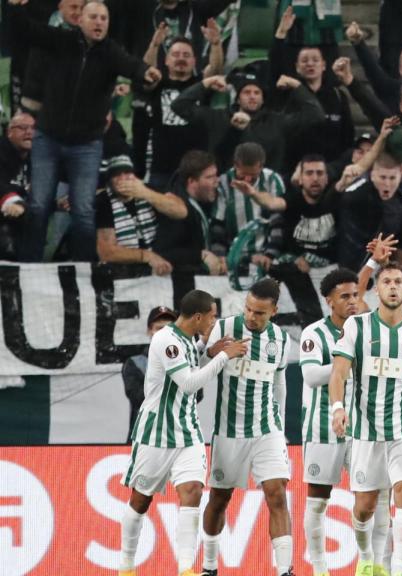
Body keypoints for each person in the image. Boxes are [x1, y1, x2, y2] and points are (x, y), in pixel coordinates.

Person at [9, 0, 161, 263]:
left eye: (104, 18)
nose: (99, 22)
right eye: (94, 17)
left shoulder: (111, 51)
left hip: (86, 145)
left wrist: (146, 72)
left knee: (83, 209)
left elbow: (130, 65)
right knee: (38, 205)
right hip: (48, 138)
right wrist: (14, 7)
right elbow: (25, 30)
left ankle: (83, 269)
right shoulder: (61, 40)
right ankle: (28, 267)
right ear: (80, 20)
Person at [118, 289, 247, 576]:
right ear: (198, 316)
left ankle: (186, 568)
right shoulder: (166, 340)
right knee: (140, 500)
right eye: (212, 317)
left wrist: (207, 352)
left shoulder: (188, 341)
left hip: (188, 431)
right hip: (156, 432)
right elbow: (188, 384)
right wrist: (223, 357)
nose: (214, 322)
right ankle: (125, 567)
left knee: (192, 492)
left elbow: (191, 368)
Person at [328, 263, 402, 576]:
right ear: (377, 290)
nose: (391, 286)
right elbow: (339, 372)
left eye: (398, 282)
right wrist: (337, 407)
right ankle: (365, 556)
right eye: (386, 281)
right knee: (364, 507)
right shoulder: (357, 326)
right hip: (364, 430)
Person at [202, 279, 295, 576]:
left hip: (266, 429)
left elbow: (279, 383)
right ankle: (209, 566)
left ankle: (285, 570)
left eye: (260, 313)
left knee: (277, 493)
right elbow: (200, 371)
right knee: (219, 499)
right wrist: (211, 353)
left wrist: (279, 424)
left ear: (274, 311)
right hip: (229, 431)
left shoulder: (281, 340)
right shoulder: (224, 328)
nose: (252, 317)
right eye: (249, 310)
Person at [299, 268, 385, 576]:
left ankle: (368, 561)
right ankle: (320, 569)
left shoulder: (367, 329)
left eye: (356, 295)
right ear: (329, 301)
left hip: (361, 427)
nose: (352, 301)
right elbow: (309, 376)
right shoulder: (314, 333)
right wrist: (345, 362)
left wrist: (374, 264)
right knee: (318, 502)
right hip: (322, 426)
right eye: (344, 296)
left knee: (370, 498)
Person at [171, 70, 325, 173]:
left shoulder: (277, 121)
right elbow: (179, 105)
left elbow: (316, 114)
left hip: (267, 189)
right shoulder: (218, 117)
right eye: (247, 92)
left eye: (257, 93)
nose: (252, 96)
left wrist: (295, 85)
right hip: (228, 189)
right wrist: (207, 82)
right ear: (238, 98)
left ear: (263, 99)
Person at [271, 8, 355, 170]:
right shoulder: (289, 95)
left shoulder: (337, 96)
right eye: (304, 61)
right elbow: (274, 67)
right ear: (296, 67)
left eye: (315, 60)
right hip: (294, 171)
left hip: (330, 170)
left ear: (324, 65)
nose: (310, 64)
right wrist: (281, 33)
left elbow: (347, 138)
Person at [132, 35, 216, 190]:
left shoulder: (201, 86)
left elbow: (215, 69)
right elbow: (146, 70)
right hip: (161, 168)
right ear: (166, 60)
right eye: (176, 55)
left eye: (186, 55)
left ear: (194, 61)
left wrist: (216, 43)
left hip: (196, 170)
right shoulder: (158, 85)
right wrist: (154, 45)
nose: (181, 59)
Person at [96, 154, 187, 273]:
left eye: (127, 173)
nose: (123, 178)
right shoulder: (104, 201)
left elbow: (181, 212)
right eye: (117, 175)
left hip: (162, 257)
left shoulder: (148, 190)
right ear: (110, 182)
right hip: (125, 268)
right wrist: (146, 256)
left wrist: (145, 193)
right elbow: (107, 253)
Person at [152, 150, 224, 274]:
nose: (216, 181)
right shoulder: (177, 211)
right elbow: (163, 252)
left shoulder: (197, 201)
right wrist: (200, 256)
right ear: (191, 181)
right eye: (209, 177)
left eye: (215, 175)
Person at [211, 142, 286, 253]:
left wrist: (270, 254)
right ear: (235, 165)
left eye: (253, 174)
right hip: (233, 254)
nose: (247, 179)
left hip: (265, 252)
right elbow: (218, 225)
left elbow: (278, 221)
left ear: (261, 166)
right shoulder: (224, 182)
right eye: (244, 173)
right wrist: (220, 256)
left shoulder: (272, 180)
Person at [336, 153, 402, 270]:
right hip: (350, 264)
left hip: (382, 265)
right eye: (382, 177)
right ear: (372, 176)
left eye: (392, 178)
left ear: (400, 177)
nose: (387, 183)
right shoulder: (354, 197)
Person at [120, 305, 178, 442]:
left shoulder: (185, 360)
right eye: (159, 328)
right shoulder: (135, 363)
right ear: (149, 331)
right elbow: (139, 397)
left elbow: (197, 394)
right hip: (144, 439)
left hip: (177, 439)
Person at [0, 112, 33, 260]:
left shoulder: (39, 157)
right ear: (9, 132)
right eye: (22, 128)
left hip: (23, 214)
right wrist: (11, 199)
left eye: (33, 128)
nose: (29, 132)